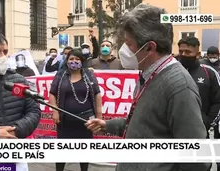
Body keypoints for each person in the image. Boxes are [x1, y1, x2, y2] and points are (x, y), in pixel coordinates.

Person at [86, 4, 211, 171]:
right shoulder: (147, 74)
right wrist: (108, 125)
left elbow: (197, 160)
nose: (123, 51)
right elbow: (147, 125)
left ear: (150, 47)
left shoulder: (179, 87)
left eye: (128, 44)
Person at [49, 49, 102, 171]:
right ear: (66, 61)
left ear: (82, 61)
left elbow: (97, 94)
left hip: (85, 121)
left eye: (77, 59)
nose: (74, 61)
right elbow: (52, 94)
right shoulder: (60, 75)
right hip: (65, 121)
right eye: (71, 59)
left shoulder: (89, 74)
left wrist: (99, 117)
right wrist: (55, 111)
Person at [177, 37, 220, 137]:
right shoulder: (171, 71)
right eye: (181, 51)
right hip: (174, 130)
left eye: (188, 52)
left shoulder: (209, 73)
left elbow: (218, 101)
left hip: (200, 131)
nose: (183, 55)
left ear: (198, 54)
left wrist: (208, 122)